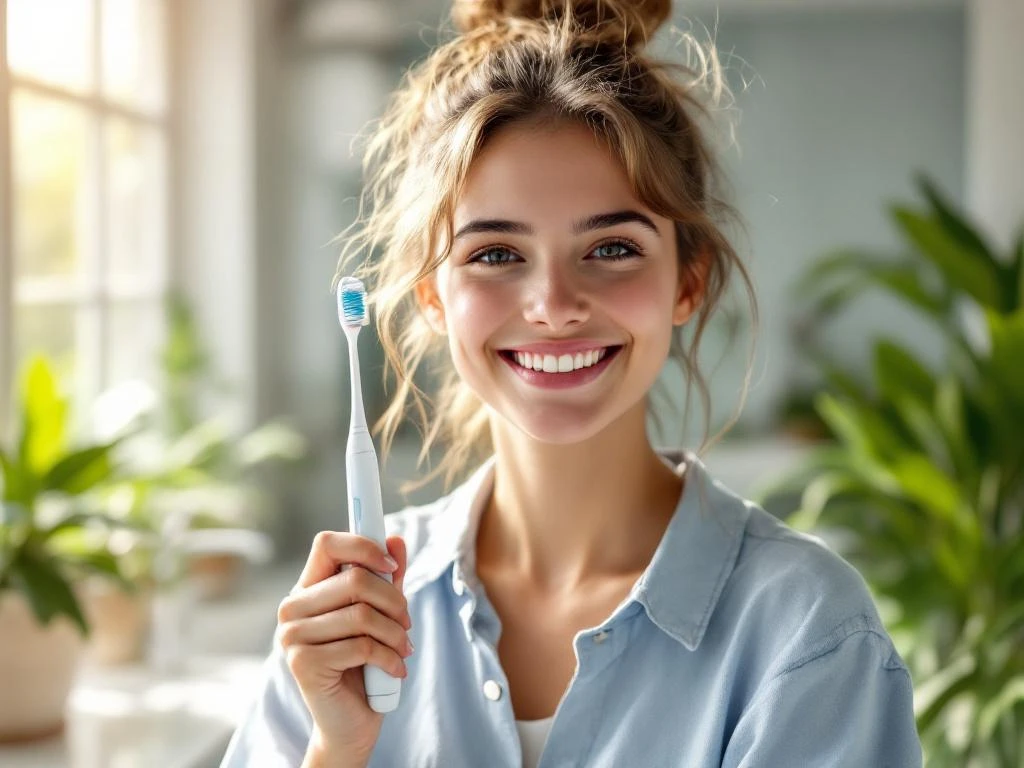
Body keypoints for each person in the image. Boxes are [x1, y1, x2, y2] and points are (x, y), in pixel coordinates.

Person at [221, 1, 923, 766]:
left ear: (688, 282)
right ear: (432, 298)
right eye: (495, 255)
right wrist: (336, 748)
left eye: (612, 248)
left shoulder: (808, 637)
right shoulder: (345, 627)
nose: (553, 306)